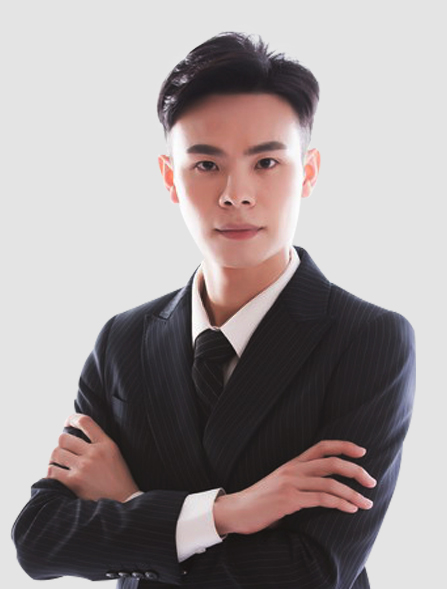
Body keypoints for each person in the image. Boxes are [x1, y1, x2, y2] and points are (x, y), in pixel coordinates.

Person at [12, 31, 416, 588]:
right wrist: (228, 513)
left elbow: (313, 573)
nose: (235, 194)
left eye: (266, 162)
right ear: (169, 178)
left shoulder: (368, 338)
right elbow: (39, 540)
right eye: (206, 165)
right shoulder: (124, 339)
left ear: (309, 172)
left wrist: (132, 503)